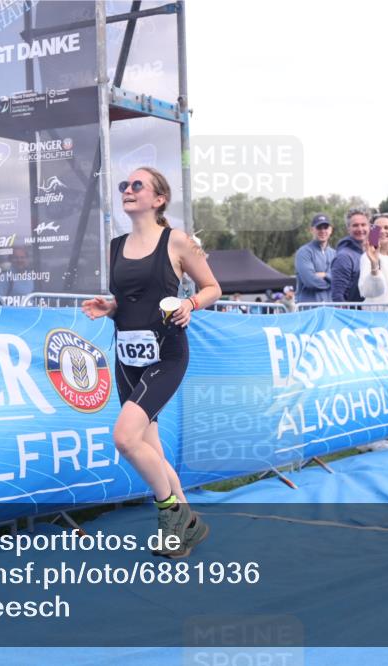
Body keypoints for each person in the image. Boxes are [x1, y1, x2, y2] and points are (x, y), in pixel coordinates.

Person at [82, 166, 221, 559]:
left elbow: (213, 287)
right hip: (127, 357)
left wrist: (189, 303)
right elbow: (131, 302)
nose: (127, 189)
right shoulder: (114, 246)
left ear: (158, 199)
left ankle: (169, 514)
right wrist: (110, 308)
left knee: (124, 438)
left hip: (167, 354)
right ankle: (188, 526)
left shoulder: (178, 242)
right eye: (124, 185)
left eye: (136, 185)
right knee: (151, 452)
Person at [294, 214, 336, 303]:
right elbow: (310, 281)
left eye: (325, 227)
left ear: (331, 230)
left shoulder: (335, 254)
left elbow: (341, 279)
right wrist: (332, 282)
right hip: (309, 310)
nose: (322, 230)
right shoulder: (303, 252)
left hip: (330, 309)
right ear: (312, 230)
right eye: (319, 227)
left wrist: (325, 275)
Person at [330, 208, 369, 303]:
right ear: (348, 229)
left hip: (370, 314)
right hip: (353, 315)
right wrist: (347, 316)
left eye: (363, 225)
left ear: (369, 227)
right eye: (355, 225)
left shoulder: (371, 252)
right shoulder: (344, 257)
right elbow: (338, 296)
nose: (360, 229)